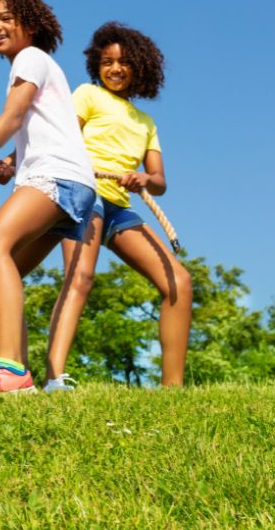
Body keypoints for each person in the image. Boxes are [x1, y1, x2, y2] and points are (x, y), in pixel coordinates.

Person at [0, 0, 96, 397]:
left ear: (30, 23)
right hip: (69, 184)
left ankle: (9, 369)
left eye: (6, 19)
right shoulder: (41, 65)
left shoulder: (29, 58)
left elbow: (13, 117)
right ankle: (19, 378)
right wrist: (10, 164)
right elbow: (41, 128)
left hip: (57, 179)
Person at [40, 22, 192, 391]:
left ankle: (174, 390)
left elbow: (160, 181)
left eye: (124, 63)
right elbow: (62, 139)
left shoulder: (146, 122)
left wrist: (142, 178)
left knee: (179, 282)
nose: (115, 69)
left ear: (140, 68)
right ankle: (54, 378)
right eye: (107, 61)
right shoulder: (88, 95)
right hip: (85, 194)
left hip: (119, 206)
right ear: (97, 65)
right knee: (81, 277)